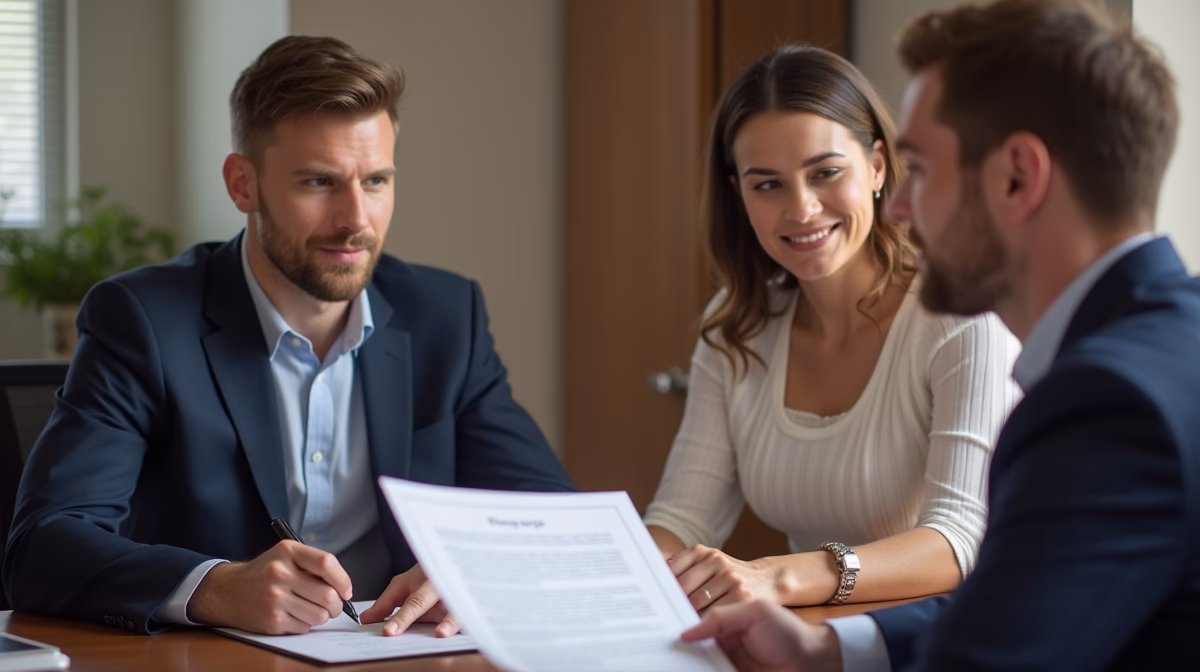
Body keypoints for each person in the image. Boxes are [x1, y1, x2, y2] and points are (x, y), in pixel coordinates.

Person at [682, 0, 1200, 669]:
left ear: (1017, 178)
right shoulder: (1164, 347)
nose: (899, 206)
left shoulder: (1106, 402)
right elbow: (1015, 602)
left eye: (920, 171)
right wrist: (832, 647)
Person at [1, 35, 575, 637]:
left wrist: (470, 571)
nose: (356, 219)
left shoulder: (445, 317)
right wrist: (215, 587)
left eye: (376, 181)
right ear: (242, 184)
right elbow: (43, 546)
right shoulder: (143, 320)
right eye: (320, 182)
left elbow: (556, 521)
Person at [643, 45, 1020, 612]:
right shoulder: (738, 325)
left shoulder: (962, 316)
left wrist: (780, 577)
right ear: (738, 192)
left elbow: (958, 540)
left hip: (949, 636)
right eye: (767, 184)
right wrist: (597, 579)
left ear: (877, 166)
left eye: (825, 173)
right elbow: (680, 518)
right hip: (814, 634)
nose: (801, 209)